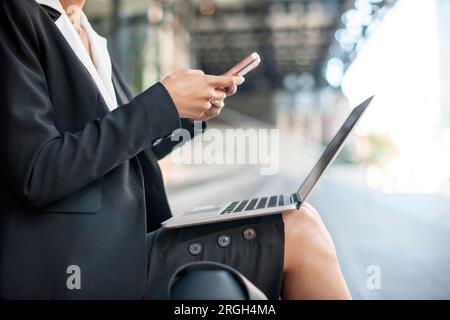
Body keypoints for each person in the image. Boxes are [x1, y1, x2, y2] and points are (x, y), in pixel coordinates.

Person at [0, 0, 351, 299]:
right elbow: (37, 171)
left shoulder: (86, 34)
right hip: (80, 265)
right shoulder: (16, 15)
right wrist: (163, 102)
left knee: (303, 218)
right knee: (300, 231)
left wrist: (187, 115)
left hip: (129, 243)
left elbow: (129, 148)